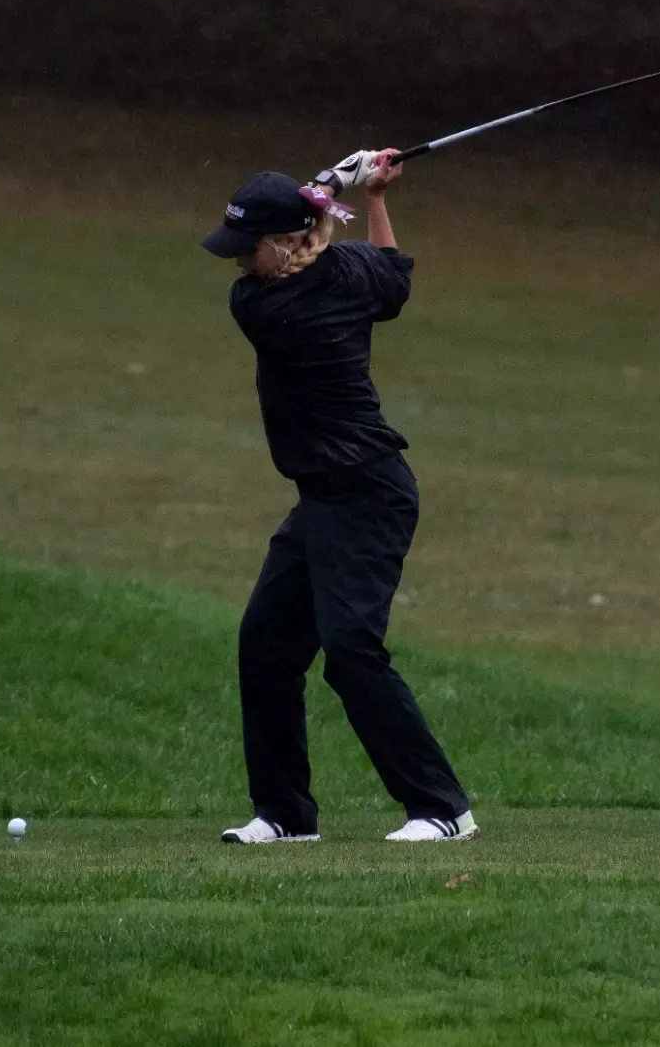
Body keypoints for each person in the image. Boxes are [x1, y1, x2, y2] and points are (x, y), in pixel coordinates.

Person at [200, 149, 476, 844]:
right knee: (265, 644)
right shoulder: (343, 273)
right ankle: (285, 816)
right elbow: (394, 281)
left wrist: (334, 185)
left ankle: (444, 809)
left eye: (247, 247)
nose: (237, 264)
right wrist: (374, 197)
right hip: (325, 497)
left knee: (351, 651)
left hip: (366, 492)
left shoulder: (267, 305)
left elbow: (367, 275)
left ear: (289, 241)